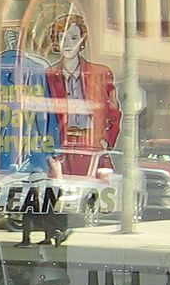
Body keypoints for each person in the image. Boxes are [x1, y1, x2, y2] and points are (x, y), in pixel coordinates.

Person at [40, 13, 120, 175]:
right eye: (62, 38)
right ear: (56, 41)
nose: (68, 44)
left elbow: (113, 113)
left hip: (92, 147)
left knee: (97, 186)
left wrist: (105, 141)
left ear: (82, 40)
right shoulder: (48, 76)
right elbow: (41, 116)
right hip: (60, 150)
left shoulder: (100, 74)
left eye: (74, 38)